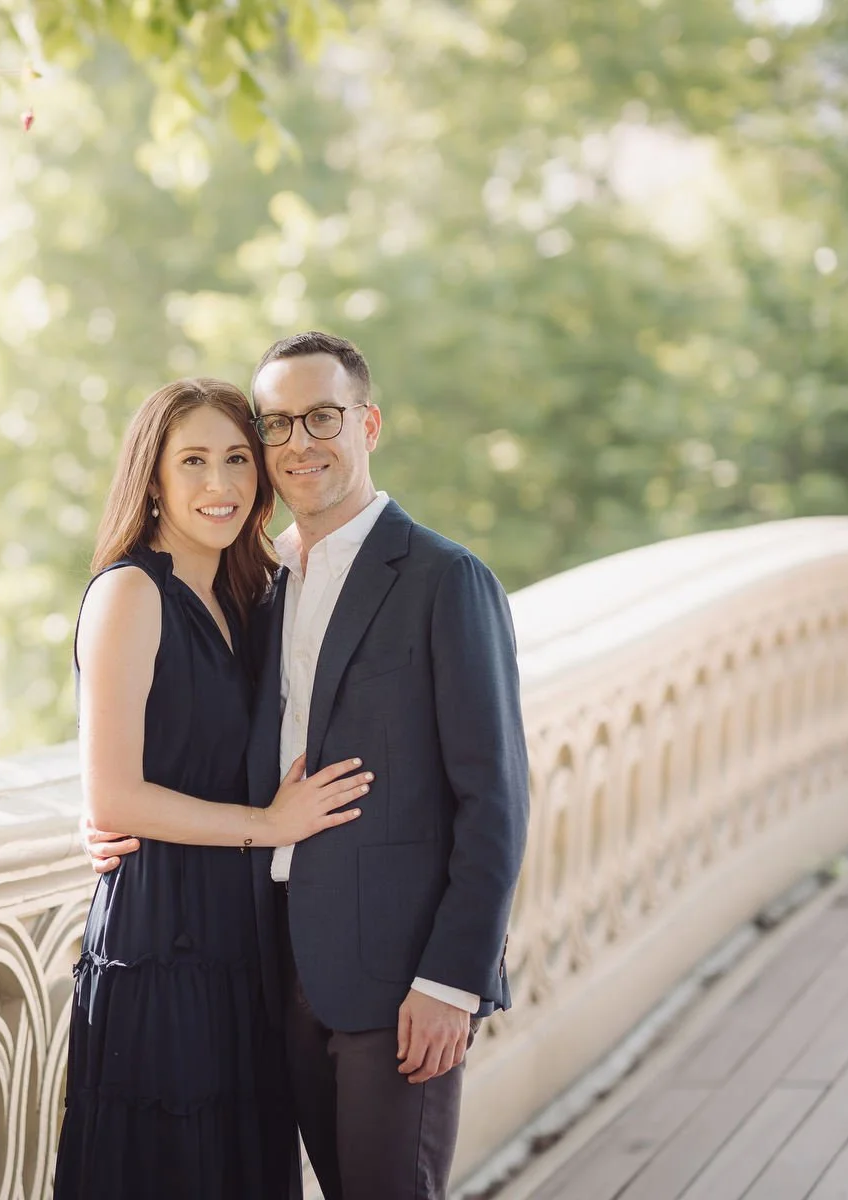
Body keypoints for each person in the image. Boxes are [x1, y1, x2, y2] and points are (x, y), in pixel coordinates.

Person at [85, 334, 530, 1200]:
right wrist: (108, 809)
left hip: (398, 982)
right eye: (277, 423)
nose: (299, 442)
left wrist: (452, 981)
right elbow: (186, 736)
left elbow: (496, 798)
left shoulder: (445, 579)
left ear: (367, 423)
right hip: (264, 971)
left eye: (322, 416)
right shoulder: (259, 584)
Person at [53, 377, 375, 1200]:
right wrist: (268, 825)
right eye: (192, 461)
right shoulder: (130, 593)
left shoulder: (257, 594)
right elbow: (115, 798)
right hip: (164, 937)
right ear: (151, 478)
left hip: (246, 941)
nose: (220, 484)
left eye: (238, 459)